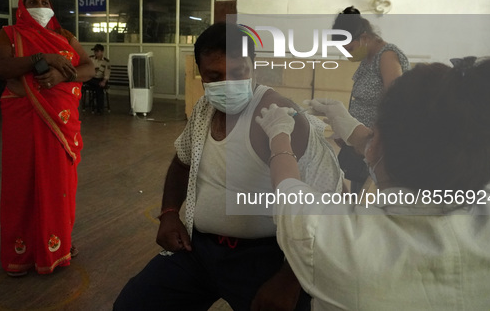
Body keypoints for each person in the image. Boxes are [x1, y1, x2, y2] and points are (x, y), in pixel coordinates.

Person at [256, 57, 490, 310]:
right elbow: (426, 152)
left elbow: (288, 189)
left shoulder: (334, 239)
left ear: (379, 143)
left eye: (373, 134)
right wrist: (353, 129)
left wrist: (279, 135)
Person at [113, 23, 343, 310]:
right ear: (201, 74)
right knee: (133, 305)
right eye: (215, 76)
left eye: (238, 73)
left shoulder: (281, 116)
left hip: (267, 259)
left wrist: (291, 278)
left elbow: (329, 199)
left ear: (253, 67)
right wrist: (170, 213)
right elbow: (182, 161)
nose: (229, 83)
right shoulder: (203, 110)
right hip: (199, 250)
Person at [0, 0, 94, 276]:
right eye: (33, 2)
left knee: (58, 185)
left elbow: (88, 68)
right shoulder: (9, 34)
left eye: (44, 1)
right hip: (23, 120)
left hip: (60, 121)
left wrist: (62, 77)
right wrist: (42, 58)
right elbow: (0, 68)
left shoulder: (64, 36)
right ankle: (21, 255)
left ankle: (58, 246)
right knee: (21, 185)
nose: (40, 7)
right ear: (22, 7)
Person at [332, 6, 410, 193]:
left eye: (349, 48)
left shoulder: (387, 56)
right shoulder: (368, 58)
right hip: (363, 143)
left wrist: (375, 141)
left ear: (365, 38)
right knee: (358, 190)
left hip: (378, 144)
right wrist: (348, 133)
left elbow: (395, 103)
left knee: (370, 196)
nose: (348, 54)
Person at [84, 43, 110, 113]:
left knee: (99, 87)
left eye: (97, 51)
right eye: (94, 51)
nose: (95, 53)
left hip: (100, 79)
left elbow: (107, 74)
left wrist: (104, 81)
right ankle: (99, 107)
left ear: (102, 52)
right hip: (91, 78)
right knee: (96, 84)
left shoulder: (105, 62)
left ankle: (99, 108)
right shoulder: (91, 59)